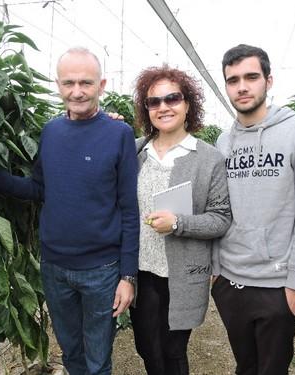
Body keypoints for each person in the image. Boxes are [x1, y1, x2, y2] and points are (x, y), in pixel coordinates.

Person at [0, 47, 139, 375]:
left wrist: (127, 276)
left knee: (97, 358)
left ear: (101, 85)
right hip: (55, 267)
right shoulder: (51, 131)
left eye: (86, 83)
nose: (76, 91)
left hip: (101, 270)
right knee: (71, 351)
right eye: (68, 83)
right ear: (58, 84)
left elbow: (128, 209)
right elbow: (39, 189)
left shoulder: (119, 134)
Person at [211, 44, 295, 375]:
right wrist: (216, 269)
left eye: (251, 77)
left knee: (272, 369)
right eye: (233, 80)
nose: (242, 86)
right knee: (245, 366)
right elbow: (219, 209)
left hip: (277, 284)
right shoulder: (223, 142)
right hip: (230, 281)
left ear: (269, 80)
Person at [130, 65, 231, 375]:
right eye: (154, 102)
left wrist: (178, 223)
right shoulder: (135, 152)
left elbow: (221, 218)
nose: (163, 107)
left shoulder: (208, 158)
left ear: (188, 104)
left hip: (183, 274)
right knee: (147, 348)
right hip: (141, 271)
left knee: (173, 351)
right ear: (146, 110)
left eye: (172, 98)